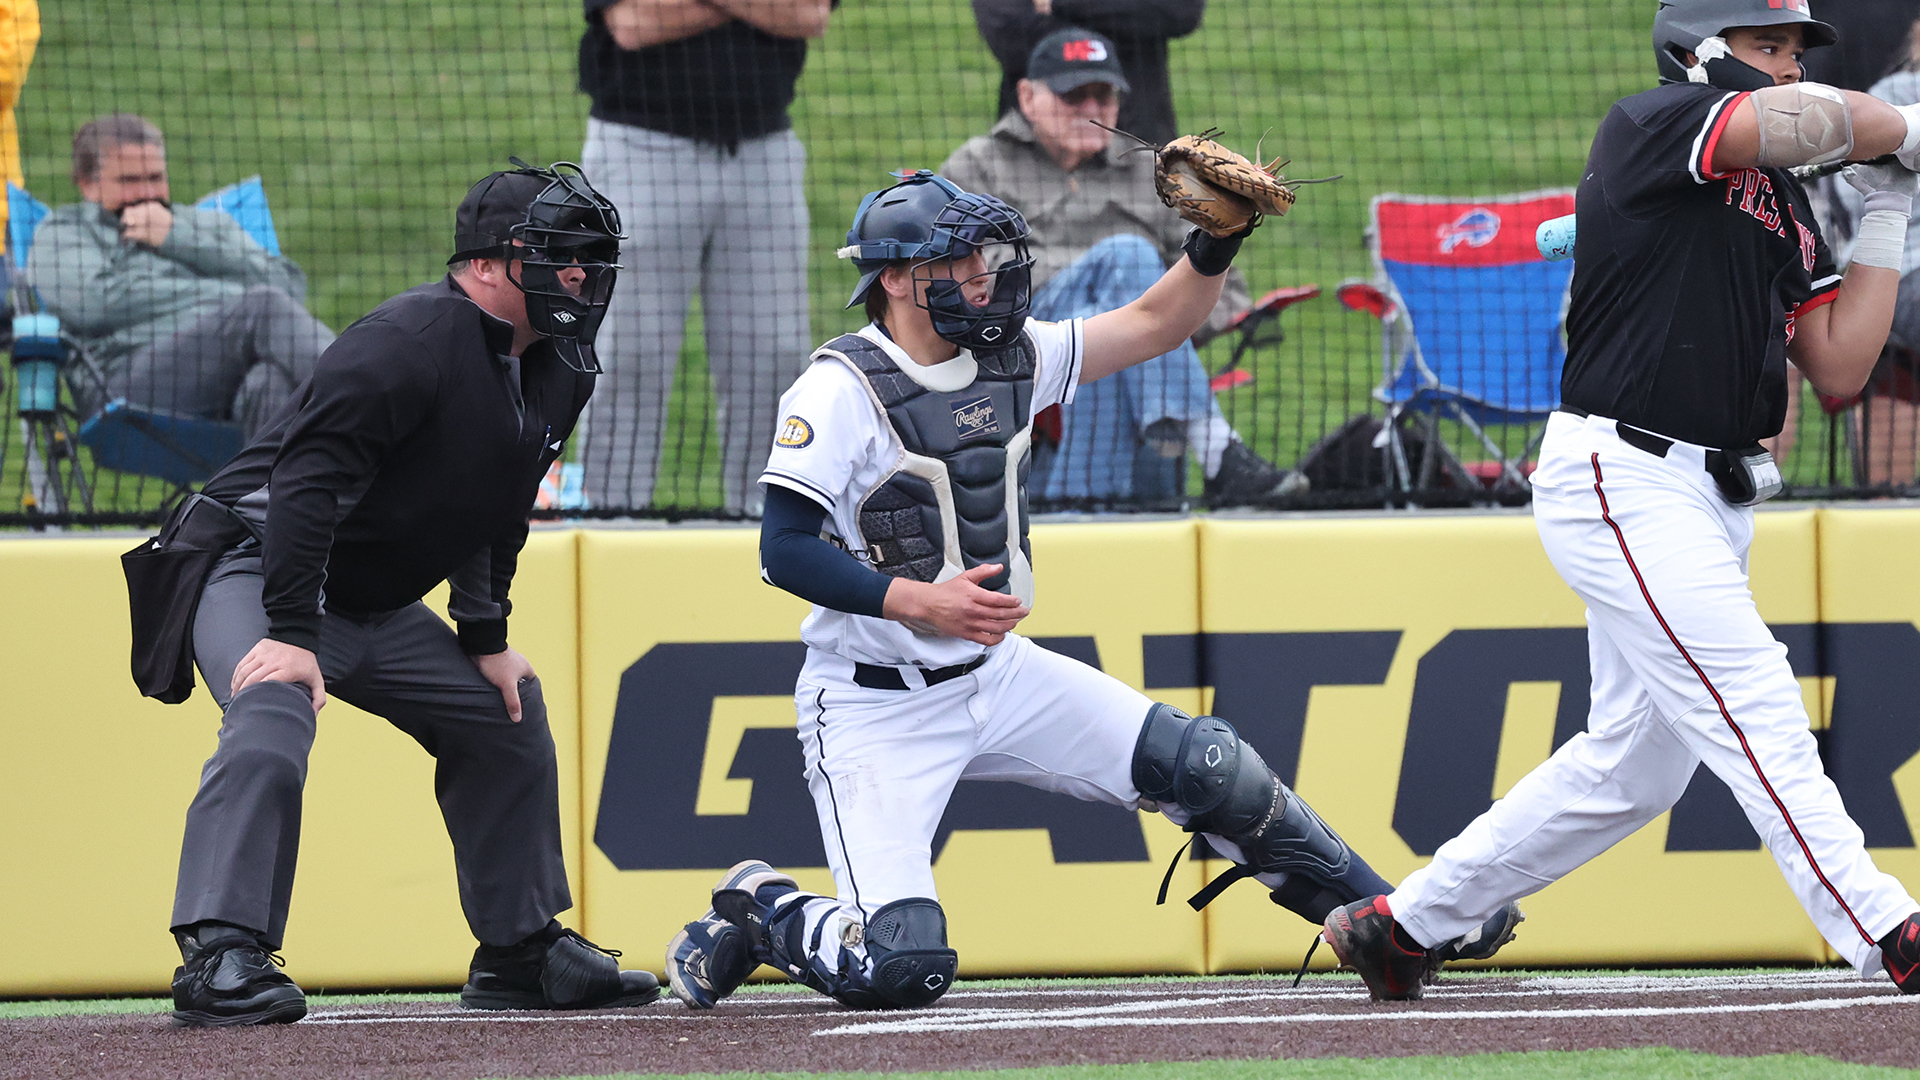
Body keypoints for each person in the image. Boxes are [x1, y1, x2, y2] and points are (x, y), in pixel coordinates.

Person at [657, 170, 1518, 1012]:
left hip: (995, 674)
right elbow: (782, 551)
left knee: (1211, 770)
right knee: (902, 965)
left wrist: (1218, 240)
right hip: (873, 701)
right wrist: (921, 601)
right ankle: (763, 909)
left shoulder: (1012, 355)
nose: (981, 279)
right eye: (956, 265)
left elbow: (1154, 322)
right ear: (893, 278)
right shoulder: (839, 387)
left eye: (984, 260)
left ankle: (1405, 921)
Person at [1321, 0, 1920, 1002]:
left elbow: (1839, 367)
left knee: (1634, 770)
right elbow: (1790, 122)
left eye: (1795, 51)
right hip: (1623, 474)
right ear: (1702, 49)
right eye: (1768, 46)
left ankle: (1406, 926)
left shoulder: (1780, 198)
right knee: (1756, 701)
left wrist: (1893, 198)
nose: (1785, 67)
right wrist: (1898, 124)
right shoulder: (1657, 122)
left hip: (1709, 495)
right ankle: (1885, 929)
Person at [160, 162, 658, 1027]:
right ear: (492, 262)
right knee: (273, 704)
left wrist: (484, 633)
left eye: (591, 256)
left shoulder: (563, 361)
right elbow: (305, 487)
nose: (581, 274)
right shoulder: (404, 339)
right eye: (563, 254)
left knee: (504, 710)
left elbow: (503, 499)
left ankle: (518, 951)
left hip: (371, 600)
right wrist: (289, 630)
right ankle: (220, 955)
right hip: (255, 562)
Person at [942, 28, 1306, 506]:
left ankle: (1082, 510)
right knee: (1130, 257)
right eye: (1073, 95)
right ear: (1027, 96)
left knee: (1118, 340)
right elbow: (977, 276)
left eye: (1103, 94)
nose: (1091, 109)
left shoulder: (1152, 169)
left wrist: (1161, 311)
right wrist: (1132, 290)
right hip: (1024, 332)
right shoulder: (977, 166)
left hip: (1128, 347)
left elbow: (1226, 290)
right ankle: (1217, 450)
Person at [576, 0, 833, 515]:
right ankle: (613, 527)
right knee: (629, 358)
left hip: (765, 153)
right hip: (640, 150)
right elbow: (631, 22)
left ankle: (771, 538)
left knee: (774, 361)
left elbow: (808, 14)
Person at [28, 114, 333, 440]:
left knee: (270, 381)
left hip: (225, 391)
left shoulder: (206, 226)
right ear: (88, 185)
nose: (147, 193)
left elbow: (289, 286)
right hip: (122, 386)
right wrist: (232, 298)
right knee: (262, 307)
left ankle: (267, 491)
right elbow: (96, 302)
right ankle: (376, 404)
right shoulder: (65, 231)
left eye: (156, 177)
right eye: (130, 180)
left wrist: (176, 237)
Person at [972, 0, 1202, 146]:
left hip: (1138, 142)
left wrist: (1062, 4)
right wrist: (1124, 28)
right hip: (1034, 154)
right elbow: (1012, 37)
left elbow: (1180, 10)